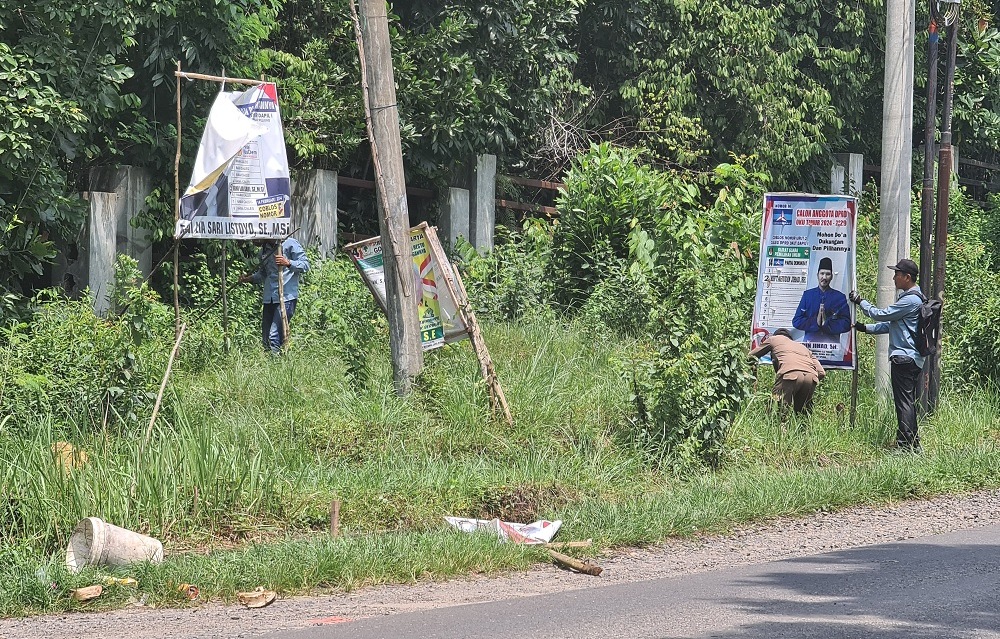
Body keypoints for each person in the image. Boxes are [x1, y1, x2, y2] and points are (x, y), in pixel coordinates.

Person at [850, 258, 925, 453]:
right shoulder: (916, 298)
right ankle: (913, 445)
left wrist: (861, 302)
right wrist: (864, 328)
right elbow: (890, 325)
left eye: (897, 274)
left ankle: (905, 447)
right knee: (906, 402)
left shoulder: (910, 300)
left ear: (907, 277)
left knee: (904, 403)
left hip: (904, 357)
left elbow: (881, 314)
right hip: (911, 358)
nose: (894, 278)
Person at [239, 237, 310, 353]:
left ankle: (276, 364)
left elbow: (305, 265)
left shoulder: (289, 244)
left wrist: (288, 263)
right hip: (269, 298)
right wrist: (249, 279)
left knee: (274, 335)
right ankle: (269, 366)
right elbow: (263, 273)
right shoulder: (264, 250)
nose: (255, 241)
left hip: (286, 297)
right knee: (266, 338)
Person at [748, 328, 826, 414]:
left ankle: (779, 426)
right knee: (801, 415)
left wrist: (752, 373)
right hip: (811, 377)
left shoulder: (774, 339)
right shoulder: (804, 348)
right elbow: (821, 373)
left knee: (777, 412)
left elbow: (751, 356)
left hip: (789, 374)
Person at [792, 257, 852, 343]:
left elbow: (846, 324)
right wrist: (815, 322)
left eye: (827, 274)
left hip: (832, 348)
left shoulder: (839, 297)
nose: (824, 277)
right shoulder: (808, 295)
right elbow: (797, 321)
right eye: (822, 273)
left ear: (831, 277)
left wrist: (827, 324)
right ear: (817, 275)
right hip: (810, 346)